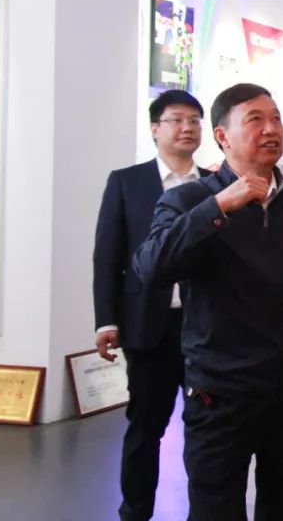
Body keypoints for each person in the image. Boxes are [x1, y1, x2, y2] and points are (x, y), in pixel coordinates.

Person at [133, 83, 283, 521]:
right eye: (255, 120)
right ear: (222, 136)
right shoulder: (189, 199)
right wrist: (219, 206)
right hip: (220, 392)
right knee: (215, 509)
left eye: (276, 118)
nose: (271, 129)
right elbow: (150, 266)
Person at [92, 89, 208, 521]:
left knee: (207, 429)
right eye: (177, 120)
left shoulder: (214, 183)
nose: (187, 128)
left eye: (194, 120)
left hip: (207, 328)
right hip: (148, 327)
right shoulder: (127, 182)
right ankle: (135, 511)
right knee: (145, 427)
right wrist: (106, 320)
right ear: (155, 129)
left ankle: (207, 511)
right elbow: (108, 256)